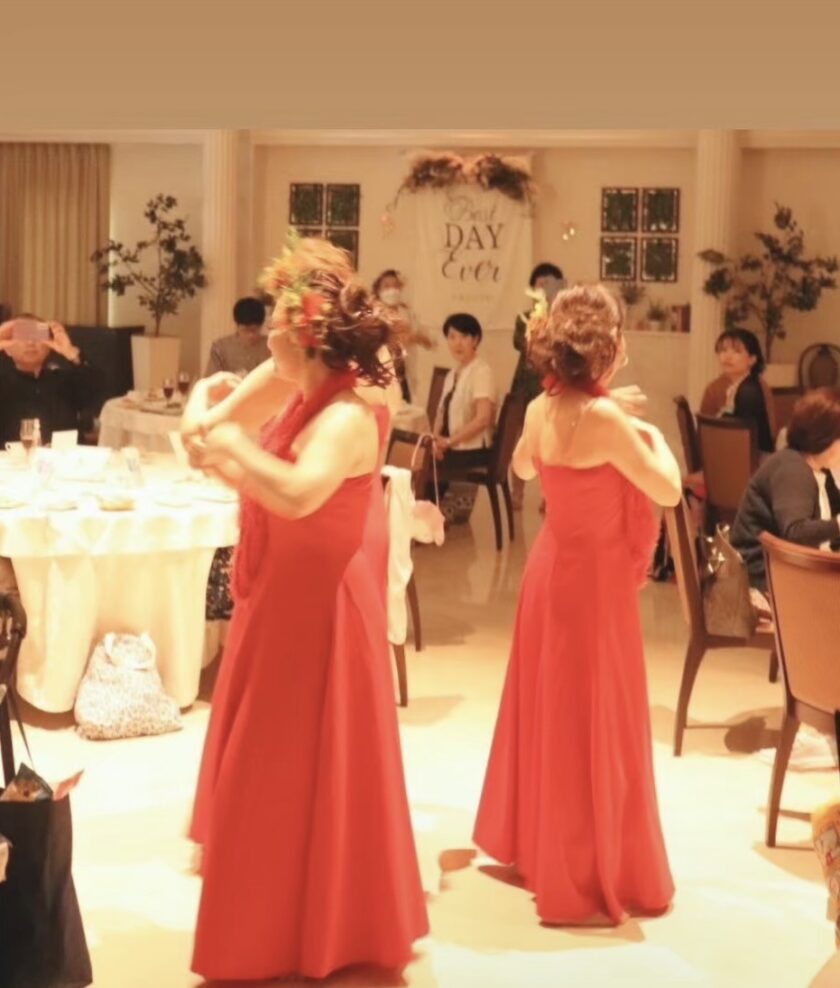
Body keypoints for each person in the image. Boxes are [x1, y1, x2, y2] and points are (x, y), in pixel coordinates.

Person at [181, 237, 427, 981]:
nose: (266, 336)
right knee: (271, 769)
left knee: (298, 764)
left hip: (320, 606)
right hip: (283, 596)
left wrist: (228, 440)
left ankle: (321, 926)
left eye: (278, 325)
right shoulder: (302, 392)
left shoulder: (348, 413)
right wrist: (216, 432)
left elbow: (295, 493)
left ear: (308, 335)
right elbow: (232, 454)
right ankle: (271, 925)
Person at [473, 283, 681, 926]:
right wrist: (651, 434)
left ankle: (543, 849)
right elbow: (669, 491)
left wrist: (605, 412)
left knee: (553, 710)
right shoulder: (610, 422)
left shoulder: (541, 407)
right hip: (593, 583)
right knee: (595, 715)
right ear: (609, 350)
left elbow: (523, 469)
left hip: (549, 571)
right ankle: (590, 865)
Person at [730, 387, 840, 591]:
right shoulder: (792, 470)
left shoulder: (818, 469)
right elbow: (795, 532)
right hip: (763, 584)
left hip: (789, 576)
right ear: (825, 438)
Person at [510, 263, 565, 508]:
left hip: (552, 386)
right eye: (539, 284)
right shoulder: (524, 318)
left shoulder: (563, 320)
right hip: (524, 385)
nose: (543, 289)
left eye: (549, 284)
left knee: (550, 442)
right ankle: (517, 493)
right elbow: (521, 343)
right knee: (518, 439)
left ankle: (549, 495)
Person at [0, 315, 103, 444]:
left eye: (37, 335)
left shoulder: (65, 380)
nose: (30, 343)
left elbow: (97, 388)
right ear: (7, 349)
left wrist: (71, 352)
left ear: (49, 346)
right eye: (22, 336)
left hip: (66, 454)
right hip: (11, 455)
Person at [433, 312, 497, 470]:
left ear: (475, 340)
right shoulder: (451, 375)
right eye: (452, 337)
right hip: (452, 448)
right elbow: (440, 414)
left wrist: (448, 442)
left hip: (473, 452)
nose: (457, 343)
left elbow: (483, 419)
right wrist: (435, 442)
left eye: (464, 337)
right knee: (414, 455)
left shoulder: (481, 371)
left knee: (420, 467)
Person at [700, 328, 776, 455]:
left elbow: (767, 431)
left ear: (752, 359)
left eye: (737, 351)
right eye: (723, 350)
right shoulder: (715, 387)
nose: (727, 356)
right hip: (723, 451)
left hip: (749, 457)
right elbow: (704, 429)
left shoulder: (752, 390)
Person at [372, 269, 433, 403]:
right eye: (387, 286)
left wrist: (413, 337)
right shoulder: (372, 315)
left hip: (403, 376)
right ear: (378, 290)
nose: (392, 290)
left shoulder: (407, 314)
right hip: (380, 376)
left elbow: (430, 342)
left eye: (395, 286)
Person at [203, 296, 270, 377]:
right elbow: (211, 379)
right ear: (237, 326)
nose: (251, 335)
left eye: (255, 330)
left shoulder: (271, 346)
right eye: (245, 330)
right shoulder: (220, 348)